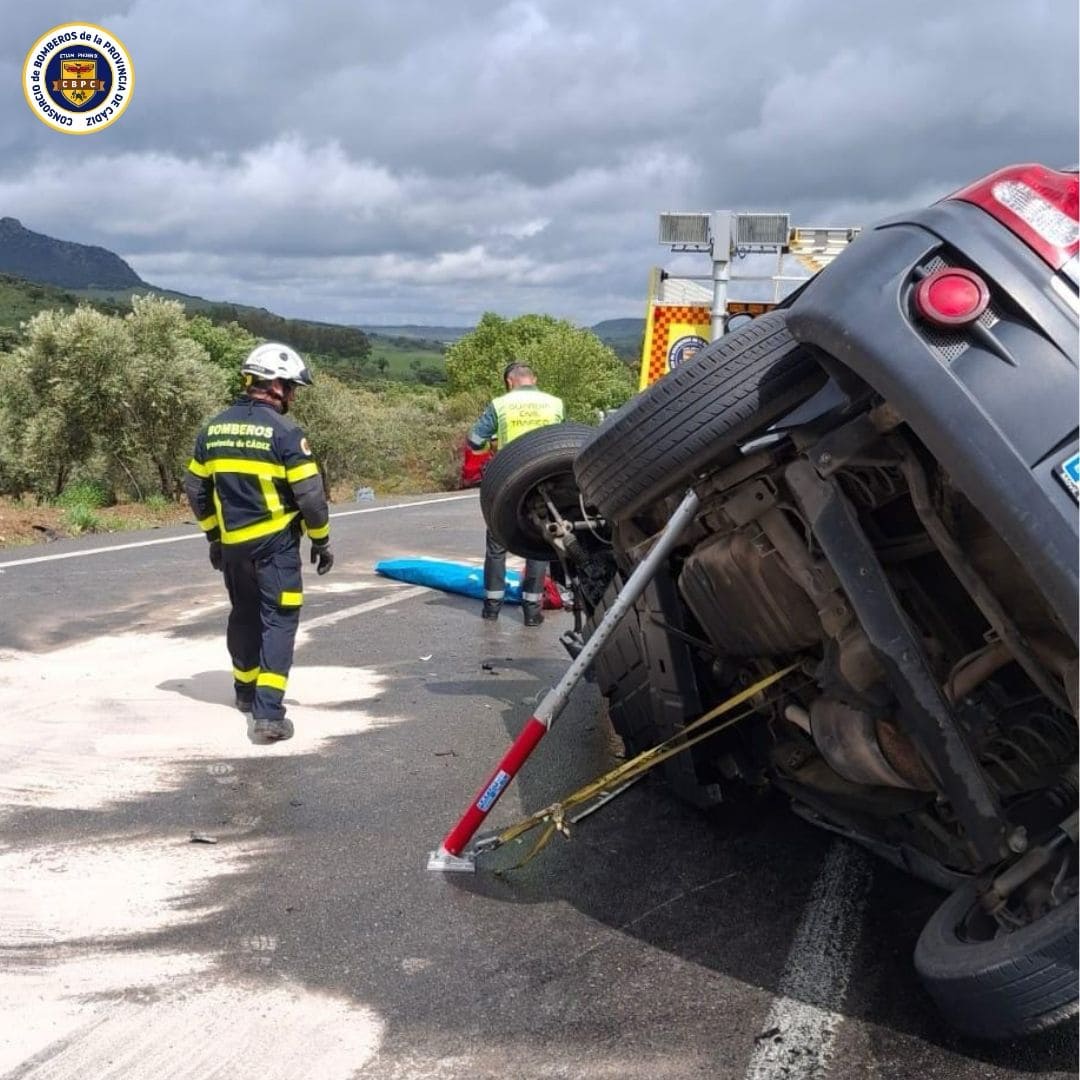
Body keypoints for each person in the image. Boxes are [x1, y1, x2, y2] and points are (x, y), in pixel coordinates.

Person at [184, 343, 333, 742]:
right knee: (279, 622)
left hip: (233, 547)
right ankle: (268, 716)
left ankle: (245, 694)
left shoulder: (212, 429)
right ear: (276, 385)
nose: (294, 396)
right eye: (292, 387)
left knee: (244, 615)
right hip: (276, 546)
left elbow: (195, 488)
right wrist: (321, 541)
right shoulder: (285, 433)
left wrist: (215, 536)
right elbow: (311, 499)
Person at [467, 361, 564, 626]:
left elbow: (474, 439)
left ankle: (492, 608)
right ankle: (532, 610)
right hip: (543, 482)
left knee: (498, 543)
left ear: (510, 382)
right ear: (533, 378)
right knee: (537, 544)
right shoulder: (555, 403)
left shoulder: (501, 404)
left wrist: (492, 448)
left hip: (507, 481)